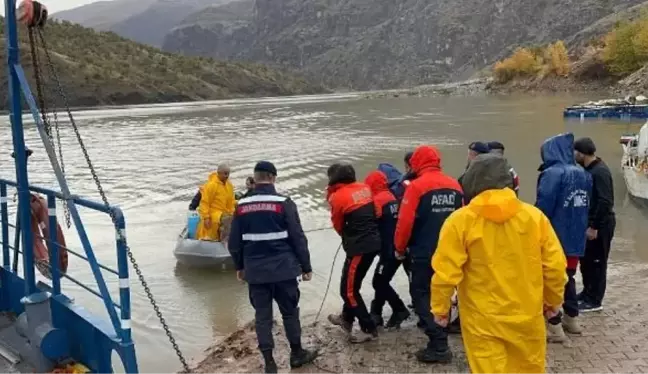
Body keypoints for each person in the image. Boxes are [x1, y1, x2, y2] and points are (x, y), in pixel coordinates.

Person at [430, 153, 567, 374]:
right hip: (527, 318)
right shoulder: (534, 217)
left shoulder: (459, 221)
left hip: (482, 321)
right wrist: (552, 302)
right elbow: (554, 267)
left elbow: (445, 272)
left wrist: (440, 309)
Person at [228, 161, 318, 374]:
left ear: (256, 177)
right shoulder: (284, 203)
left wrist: (240, 267)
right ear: (273, 178)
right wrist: (306, 266)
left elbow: (234, 243)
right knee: (289, 313)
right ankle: (297, 354)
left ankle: (269, 363)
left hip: (256, 273)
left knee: (262, 317)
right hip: (284, 270)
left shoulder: (241, 207)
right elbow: (298, 238)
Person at [394, 145, 463, 363]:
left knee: (420, 294)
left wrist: (398, 248)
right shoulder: (455, 185)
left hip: (424, 252)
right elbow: (464, 218)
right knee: (442, 294)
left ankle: (438, 343)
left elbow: (404, 222)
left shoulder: (416, 187)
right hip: (452, 252)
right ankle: (439, 330)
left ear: (417, 163)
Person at [536, 133, 592, 342]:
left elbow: (543, 208)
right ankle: (572, 318)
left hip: (554, 238)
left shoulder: (552, 174)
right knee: (569, 277)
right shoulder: (584, 174)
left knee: (550, 281)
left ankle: (555, 327)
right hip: (576, 237)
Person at [326, 163, 381, 343]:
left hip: (359, 247)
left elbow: (338, 225)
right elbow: (377, 211)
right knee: (351, 283)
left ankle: (368, 328)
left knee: (348, 291)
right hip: (373, 244)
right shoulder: (365, 188)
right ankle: (346, 319)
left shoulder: (337, 197)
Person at [365, 170, 411, 329]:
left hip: (388, 251)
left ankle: (399, 309)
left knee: (378, 281)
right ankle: (376, 314)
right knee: (382, 280)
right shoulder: (392, 197)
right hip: (400, 247)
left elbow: (370, 224)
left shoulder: (376, 201)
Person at [574, 137, 616, 312]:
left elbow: (605, 202)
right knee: (587, 262)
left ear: (582, 153)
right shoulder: (589, 170)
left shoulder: (599, 172)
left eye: (575, 152)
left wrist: (594, 226)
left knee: (598, 263)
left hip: (601, 225)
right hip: (591, 223)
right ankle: (587, 292)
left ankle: (595, 300)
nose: (573, 156)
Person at [196, 164, 236, 241]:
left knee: (235, 218)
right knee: (226, 219)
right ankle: (225, 241)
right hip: (213, 212)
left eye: (228, 173)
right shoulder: (211, 185)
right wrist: (206, 217)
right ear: (219, 173)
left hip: (225, 211)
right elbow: (205, 203)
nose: (227, 176)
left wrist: (233, 212)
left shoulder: (229, 185)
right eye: (225, 173)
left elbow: (231, 201)